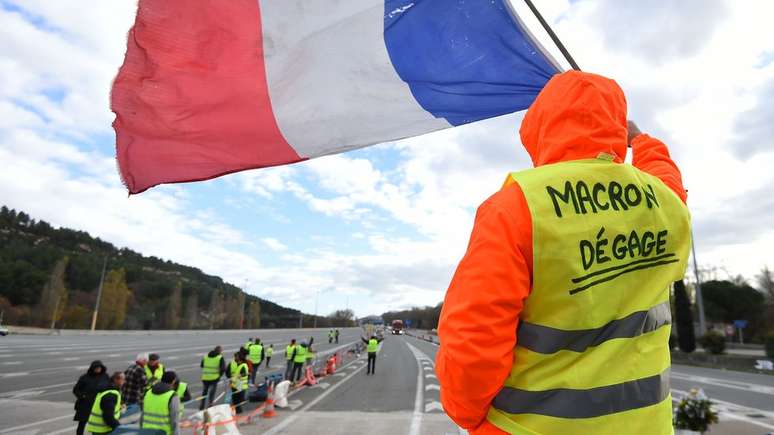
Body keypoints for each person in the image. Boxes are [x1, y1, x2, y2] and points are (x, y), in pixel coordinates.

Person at [436, 71, 691, 435]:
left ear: (539, 126)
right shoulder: (663, 201)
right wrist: (641, 141)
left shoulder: (517, 207)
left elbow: (475, 334)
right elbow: (668, 178)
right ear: (618, 125)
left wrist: (467, 413)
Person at [73, 360, 109, 435]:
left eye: (99, 367)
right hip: (85, 405)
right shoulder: (84, 377)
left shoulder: (105, 376)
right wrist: (83, 396)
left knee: (97, 424)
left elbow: (109, 387)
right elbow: (76, 390)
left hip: (99, 404)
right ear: (92, 368)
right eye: (96, 367)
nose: (98, 369)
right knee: (82, 424)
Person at [140, 371, 180, 435]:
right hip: (164, 433)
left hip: (146, 432)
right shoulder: (172, 396)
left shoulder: (148, 393)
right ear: (173, 381)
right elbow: (174, 420)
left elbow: (142, 416)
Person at [199, 345, 225, 410]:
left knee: (204, 392)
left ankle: (202, 405)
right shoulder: (220, 358)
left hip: (205, 377)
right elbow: (223, 368)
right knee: (212, 393)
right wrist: (219, 375)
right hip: (214, 378)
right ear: (219, 351)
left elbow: (202, 365)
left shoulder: (206, 357)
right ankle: (210, 405)